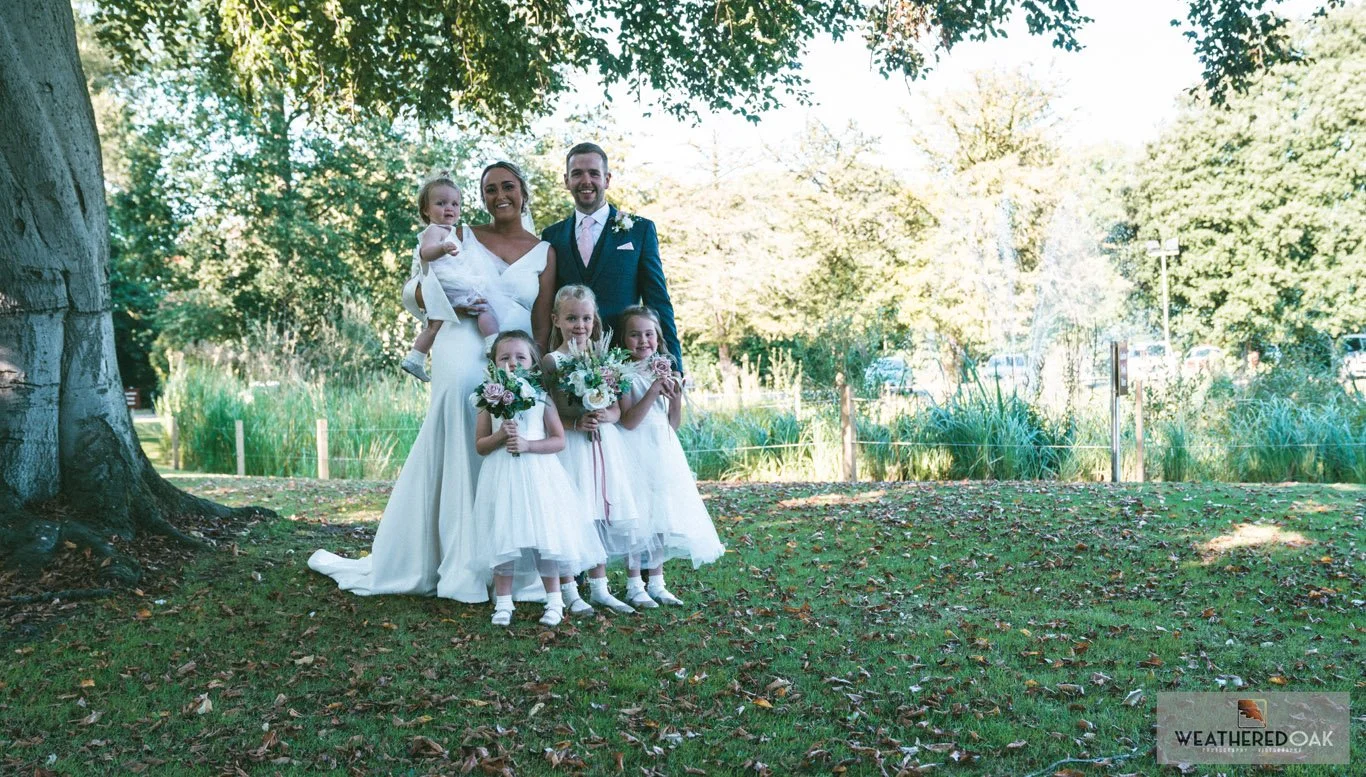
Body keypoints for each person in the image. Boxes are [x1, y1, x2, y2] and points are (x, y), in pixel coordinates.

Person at [309, 161, 558, 604]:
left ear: (524, 192)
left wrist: (533, 377)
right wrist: (447, 300)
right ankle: (459, 563)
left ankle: (508, 562)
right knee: (462, 438)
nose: (499, 195)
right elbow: (415, 288)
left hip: (516, 360)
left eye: (508, 187)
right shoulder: (459, 233)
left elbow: (542, 325)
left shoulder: (544, 250)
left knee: (510, 447)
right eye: (489, 189)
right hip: (461, 346)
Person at [471, 331, 604, 627]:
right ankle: (503, 603)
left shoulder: (541, 397)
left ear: (532, 363)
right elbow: (480, 446)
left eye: (520, 357)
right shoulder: (486, 398)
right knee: (503, 538)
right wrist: (500, 436)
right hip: (502, 477)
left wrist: (529, 445)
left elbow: (558, 440)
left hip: (539, 477)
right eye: (504, 358)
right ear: (493, 364)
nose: (512, 363)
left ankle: (554, 601)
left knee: (546, 540)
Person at [542, 285, 657, 614]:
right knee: (572, 514)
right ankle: (569, 590)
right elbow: (547, 412)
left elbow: (618, 409)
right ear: (557, 320)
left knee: (598, 514)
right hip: (572, 447)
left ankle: (600, 588)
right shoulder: (553, 360)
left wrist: (606, 414)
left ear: (595, 321)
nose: (580, 325)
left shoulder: (603, 356)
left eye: (586, 318)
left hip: (605, 445)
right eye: (572, 318)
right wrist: (576, 423)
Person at [540, 142, 683, 371]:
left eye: (594, 173)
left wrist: (675, 366)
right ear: (567, 181)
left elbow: (658, 301)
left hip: (627, 363)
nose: (586, 181)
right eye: (577, 174)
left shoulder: (639, 230)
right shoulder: (552, 236)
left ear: (607, 179)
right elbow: (548, 305)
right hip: (571, 365)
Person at [616, 305, 725, 603]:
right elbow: (628, 421)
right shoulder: (623, 374)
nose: (643, 341)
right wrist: (652, 391)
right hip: (634, 450)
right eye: (635, 335)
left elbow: (672, 424)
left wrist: (675, 398)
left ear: (658, 337)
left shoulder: (663, 368)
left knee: (660, 515)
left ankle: (657, 582)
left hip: (662, 449)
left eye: (649, 334)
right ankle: (634, 583)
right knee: (636, 518)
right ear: (624, 339)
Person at [399, 175, 509, 382]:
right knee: (482, 305)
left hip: (443, 284)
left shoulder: (450, 230)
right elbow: (425, 253)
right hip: (446, 281)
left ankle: (415, 358)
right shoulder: (435, 230)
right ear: (426, 210)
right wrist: (442, 248)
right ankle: (492, 344)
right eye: (440, 203)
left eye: (454, 204)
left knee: (434, 325)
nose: (448, 208)